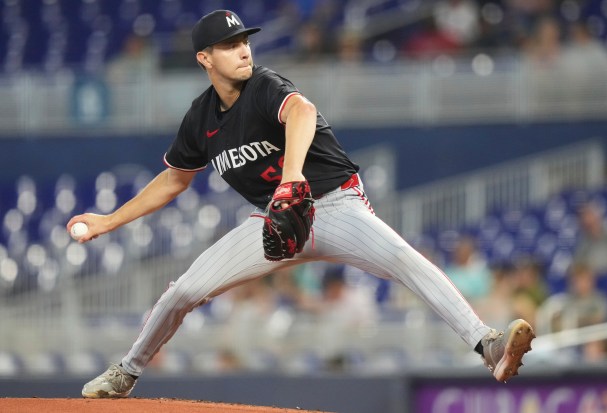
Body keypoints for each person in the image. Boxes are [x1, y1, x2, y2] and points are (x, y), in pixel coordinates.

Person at [70, 10, 535, 399]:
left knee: (402, 258)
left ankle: (486, 344)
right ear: (204, 58)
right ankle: (127, 372)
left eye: (245, 41)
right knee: (184, 291)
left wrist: (293, 176)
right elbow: (175, 179)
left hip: (332, 205)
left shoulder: (264, 85)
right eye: (230, 45)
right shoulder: (201, 118)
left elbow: (301, 112)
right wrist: (109, 221)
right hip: (275, 223)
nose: (244, 50)